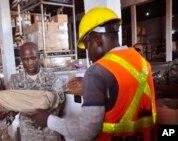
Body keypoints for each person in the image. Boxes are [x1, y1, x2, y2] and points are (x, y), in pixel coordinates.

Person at [31, 7, 156, 141]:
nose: (89, 55)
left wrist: (48, 120)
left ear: (97, 39)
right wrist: (89, 84)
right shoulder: (142, 63)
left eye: (87, 45)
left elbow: (85, 132)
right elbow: (123, 93)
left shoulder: (97, 71)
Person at [7, 42, 65, 141]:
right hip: (29, 134)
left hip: (50, 132)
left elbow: (61, 100)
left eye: (33, 58)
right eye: (25, 59)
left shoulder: (51, 77)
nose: (30, 62)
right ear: (21, 59)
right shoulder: (15, 81)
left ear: (38, 57)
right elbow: (10, 107)